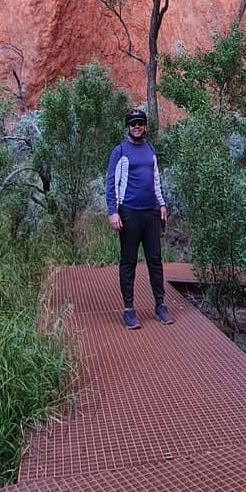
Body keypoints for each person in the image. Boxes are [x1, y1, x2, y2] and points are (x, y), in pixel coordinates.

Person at [106, 107, 175, 329]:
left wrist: (162, 204)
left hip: (151, 213)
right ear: (128, 126)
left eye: (140, 123)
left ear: (145, 126)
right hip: (129, 213)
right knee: (129, 261)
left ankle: (160, 305)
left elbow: (156, 180)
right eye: (133, 123)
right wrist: (113, 212)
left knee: (155, 260)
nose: (137, 126)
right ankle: (128, 309)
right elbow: (111, 184)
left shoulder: (150, 150)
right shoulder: (120, 151)